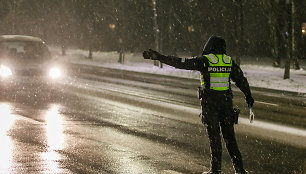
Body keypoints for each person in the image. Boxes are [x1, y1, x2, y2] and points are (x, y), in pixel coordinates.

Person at [143, 35, 254, 174]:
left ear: (210, 46)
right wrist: (248, 96)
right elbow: (241, 80)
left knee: (215, 140)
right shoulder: (228, 61)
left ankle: (215, 170)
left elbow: (181, 63)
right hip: (226, 105)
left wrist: (160, 57)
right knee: (230, 139)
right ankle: (240, 170)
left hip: (211, 105)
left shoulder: (205, 61)